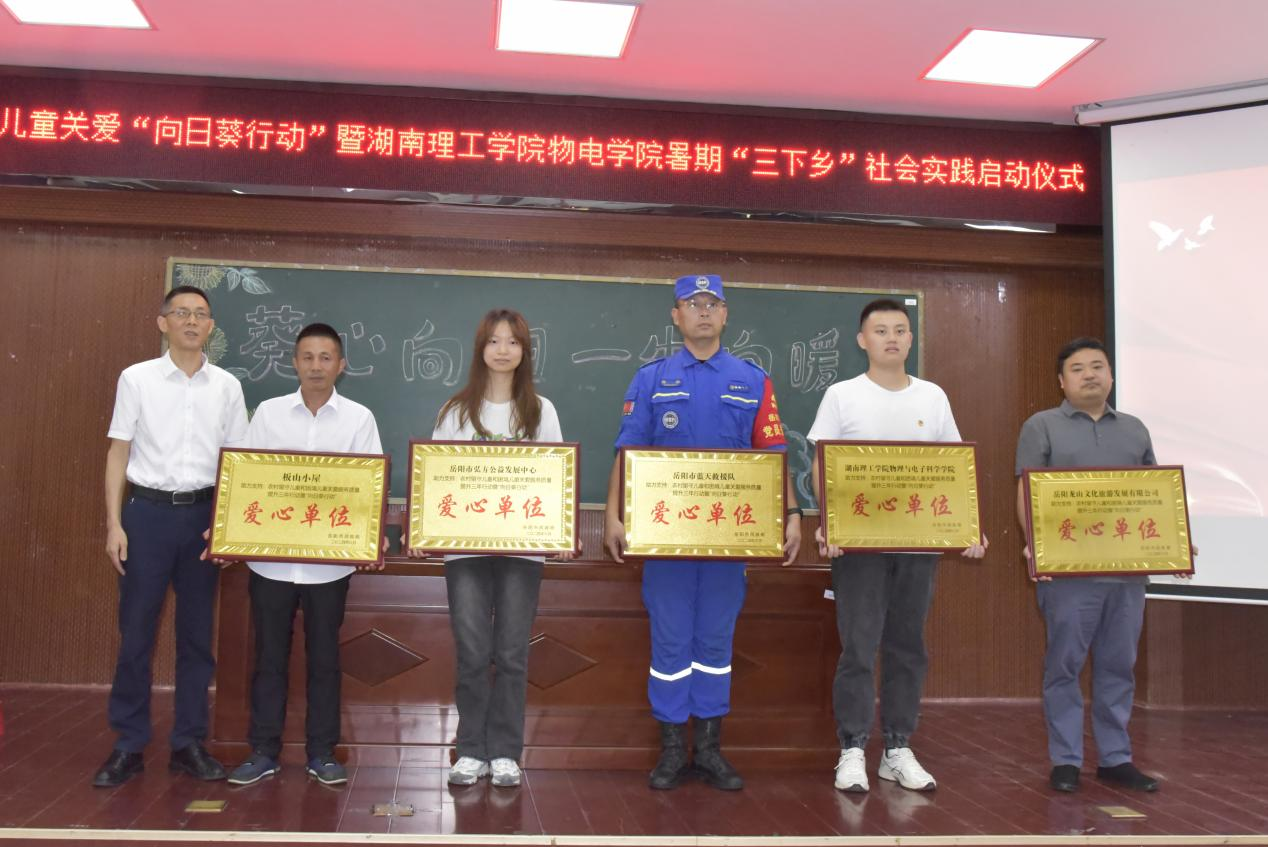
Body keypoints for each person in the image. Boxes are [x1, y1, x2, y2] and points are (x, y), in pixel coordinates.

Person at [604, 274, 802, 791]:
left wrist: (792, 514)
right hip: (663, 540)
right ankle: (673, 750)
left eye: (713, 303)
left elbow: (774, 454)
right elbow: (627, 451)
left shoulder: (752, 380)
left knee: (715, 639)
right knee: (670, 641)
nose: (704, 311)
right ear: (676, 316)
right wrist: (612, 515)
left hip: (728, 541)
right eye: (693, 304)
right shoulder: (652, 378)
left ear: (725, 314)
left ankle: (710, 749)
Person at [807, 297, 988, 794]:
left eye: (900, 330)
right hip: (858, 546)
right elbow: (822, 464)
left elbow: (953, 467)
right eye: (880, 330)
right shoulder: (842, 394)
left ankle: (897, 748)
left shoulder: (933, 396)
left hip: (918, 543)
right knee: (859, 646)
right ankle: (851, 748)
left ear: (910, 339)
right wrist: (830, 523)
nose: (891, 337)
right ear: (862, 340)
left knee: (908, 646)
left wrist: (969, 526)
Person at [95, 285, 248, 788]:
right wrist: (114, 524)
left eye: (201, 314)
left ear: (211, 326)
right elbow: (118, 452)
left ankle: (188, 743)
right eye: (181, 312)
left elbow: (238, 462)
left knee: (197, 637)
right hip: (146, 516)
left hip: (203, 518)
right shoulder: (136, 378)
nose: (191, 321)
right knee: (136, 633)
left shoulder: (227, 386)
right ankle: (129, 743)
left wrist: (225, 525)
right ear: (163, 323)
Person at [225, 323, 385, 787]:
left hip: (328, 566)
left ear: (341, 365)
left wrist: (373, 535)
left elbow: (369, 489)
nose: (317, 366)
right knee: (269, 659)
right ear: (294, 363)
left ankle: (322, 753)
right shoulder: (269, 414)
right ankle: (263, 751)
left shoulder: (359, 418)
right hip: (270, 561)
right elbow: (246, 479)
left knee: (325, 660)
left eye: (326, 357)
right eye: (308, 357)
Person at [1015, 337, 1176, 794]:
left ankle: (1115, 758)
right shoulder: (1041, 426)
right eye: (1078, 368)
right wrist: (1034, 546)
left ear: (1111, 376)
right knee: (1064, 665)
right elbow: (1026, 491)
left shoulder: (1135, 429)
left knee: (1119, 665)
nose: (1089, 375)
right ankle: (1066, 760)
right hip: (1067, 573)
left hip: (1127, 573)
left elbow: (1154, 495)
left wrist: (1175, 542)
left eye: (1097, 366)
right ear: (1061, 381)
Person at [417, 308, 567, 789]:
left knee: (512, 652)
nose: (503, 350)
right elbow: (435, 477)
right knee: (473, 652)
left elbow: (556, 477)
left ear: (525, 351)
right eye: (494, 341)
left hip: (524, 551)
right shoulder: (455, 411)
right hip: (465, 551)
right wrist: (422, 530)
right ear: (480, 348)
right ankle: (470, 750)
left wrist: (562, 531)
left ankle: (504, 752)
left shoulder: (541, 410)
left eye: (513, 342)